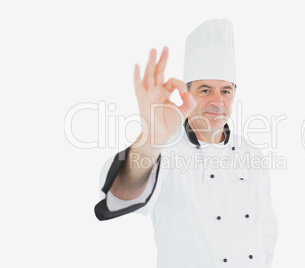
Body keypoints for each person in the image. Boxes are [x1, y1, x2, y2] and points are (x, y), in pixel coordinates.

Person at [95, 18, 278, 268]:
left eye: (226, 91)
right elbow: (121, 195)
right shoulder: (165, 149)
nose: (218, 101)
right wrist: (151, 139)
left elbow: (266, 232)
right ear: (187, 95)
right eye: (205, 90)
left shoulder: (252, 153)